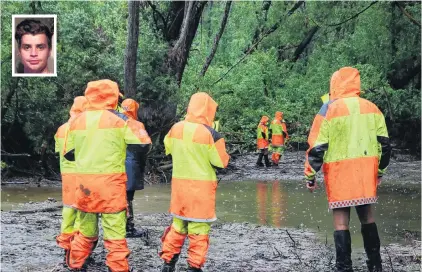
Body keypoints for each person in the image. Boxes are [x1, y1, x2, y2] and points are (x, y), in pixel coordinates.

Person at [304, 67, 391, 272]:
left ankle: (344, 267)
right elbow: (385, 145)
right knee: (368, 217)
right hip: (365, 173)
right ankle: (375, 265)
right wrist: (380, 171)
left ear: (334, 84)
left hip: (339, 173)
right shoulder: (372, 107)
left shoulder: (328, 109)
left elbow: (317, 146)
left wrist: (310, 175)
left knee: (341, 222)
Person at [64, 80, 152, 272]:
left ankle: (76, 265)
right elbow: (143, 144)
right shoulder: (121, 119)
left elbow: (68, 153)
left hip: (85, 187)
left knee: (85, 233)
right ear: (113, 98)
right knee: (115, 236)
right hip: (111, 186)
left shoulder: (76, 121)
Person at [159, 92, 230, 272]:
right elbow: (222, 162)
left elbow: (168, 147)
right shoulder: (212, 134)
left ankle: (168, 264)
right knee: (199, 231)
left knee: (178, 226)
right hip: (201, 190)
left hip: (179, 188)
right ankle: (193, 267)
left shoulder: (176, 128)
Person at [55, 96, 87, 260]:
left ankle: (65, 245)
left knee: (68, 210)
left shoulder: (61, 129)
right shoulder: (84, 127)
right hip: (82, 174)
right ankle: (77, 248)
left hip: (66, 175)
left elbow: (60, 152)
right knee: (82, 213)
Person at [120, 98, 150, 238]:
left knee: (118, 197)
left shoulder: (113, 120)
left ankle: (122, 226)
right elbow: (144, 146)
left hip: (111, 167)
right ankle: (128, 228)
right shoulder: (135, 125)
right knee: (127, 197)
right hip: (130, 165)